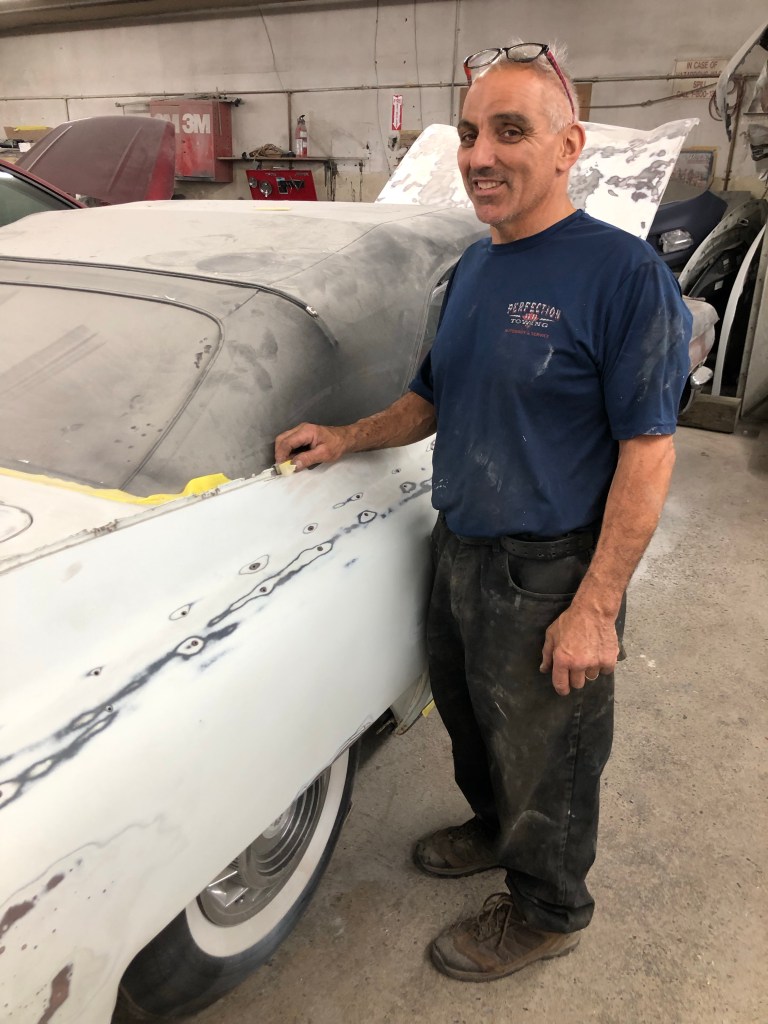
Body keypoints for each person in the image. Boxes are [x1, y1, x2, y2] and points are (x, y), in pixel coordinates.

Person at [275, 41, 692, 983]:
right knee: (471, 718)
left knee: (551, 751)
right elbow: (431, 399)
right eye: (468, 134)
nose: (480, 155)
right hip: (461, 544)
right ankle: (496, 826)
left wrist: (594, 607)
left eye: (509, 131)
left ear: (567, 147)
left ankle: (548, 907)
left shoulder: (623, 275)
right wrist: (345, 436)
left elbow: (648, 453)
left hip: (552, 567)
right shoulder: (474, 268)